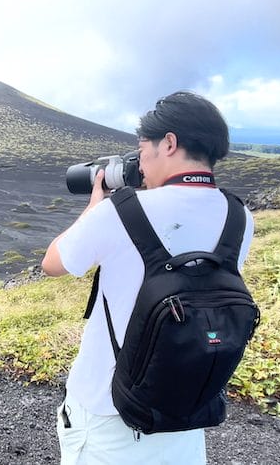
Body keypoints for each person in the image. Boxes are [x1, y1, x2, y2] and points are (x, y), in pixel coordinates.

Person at [41, 91, 255, 464]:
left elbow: (54, 263)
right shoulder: (239, 216)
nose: (139, 161)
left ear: (168, 143)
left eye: (143, 147)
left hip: (107, 409)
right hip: (186, 405)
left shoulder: (119, 212)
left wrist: (94, 208)